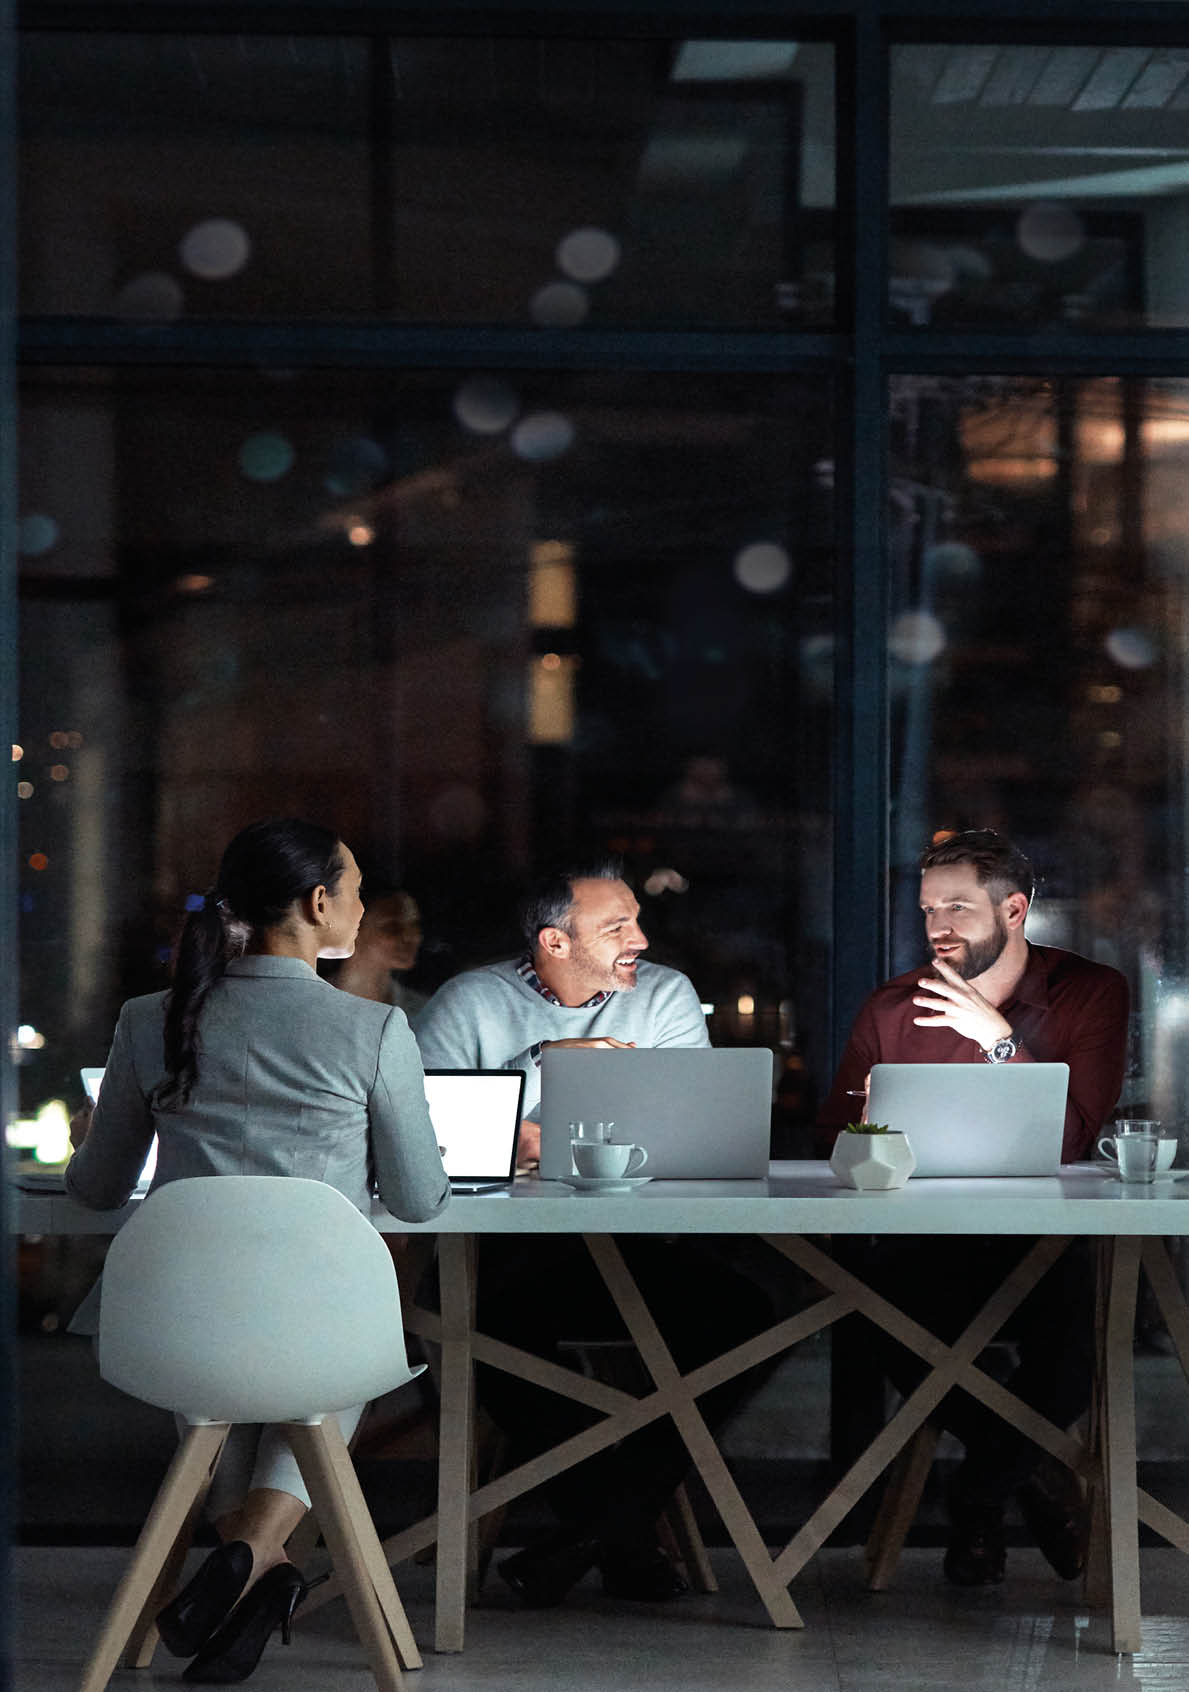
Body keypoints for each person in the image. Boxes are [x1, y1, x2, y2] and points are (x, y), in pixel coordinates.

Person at [66, 819, 449, 1683]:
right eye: (352, 892)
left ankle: (248, 1567)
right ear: (319, 904)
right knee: (318, 1381)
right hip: (324, 1327)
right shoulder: (373, 1031)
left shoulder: (148, 1020)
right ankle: (255, 1557)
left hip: (175, 1324)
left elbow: (95, 1188)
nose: (357, 906)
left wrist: (81, 1142)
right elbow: (421, 1201)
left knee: (219, 1396)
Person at [413, 857, 773, 1607]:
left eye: (635, 921)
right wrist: (541, 1060)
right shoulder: (470, 1003)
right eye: (616, 927)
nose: (639, 938)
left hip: (636, 1242)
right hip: (499, 1253)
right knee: (473, 1326)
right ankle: (620, 1525)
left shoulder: (665, 996)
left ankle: (602, 1524)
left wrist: (533, 1129)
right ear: (553, 940)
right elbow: (429, 1140)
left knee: (752, 1316)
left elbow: (687, 1129)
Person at [818, 828, 1129, 1588]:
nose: (938, 928)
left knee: (1073, 1346)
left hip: (1042, 1237)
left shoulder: (1089, 993)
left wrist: (997, 1044)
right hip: (921, 1241)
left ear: (1014, 909)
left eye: (958, 907)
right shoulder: (892, 1007)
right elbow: (834, 1136)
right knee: (879, 1313)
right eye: (928, 910)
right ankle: (1017, 1480)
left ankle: (975, 1493)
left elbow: (1070, 1138)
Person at [332, 889, 428, 1018]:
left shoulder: (423, 1012)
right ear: (354, 929)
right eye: (392, 927)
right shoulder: (312, 999)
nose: (411, 937)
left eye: (414, 925)